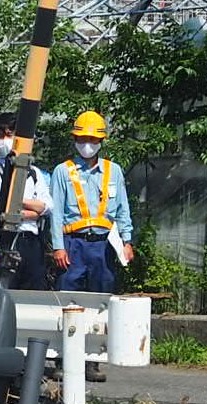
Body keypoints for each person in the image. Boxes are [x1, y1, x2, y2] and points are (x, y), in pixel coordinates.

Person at [50, 110, 134, 381]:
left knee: (100, 302)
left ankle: (92, 361)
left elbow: (122, 209)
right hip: (73, 244)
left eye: (92, 139)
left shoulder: (114, 171)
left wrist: (127, 241)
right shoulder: (63, 172)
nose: (87, 143)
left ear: (100, 141)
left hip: (103, 245)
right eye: (82, 138)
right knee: (69, 301)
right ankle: (65, 359)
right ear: (75, 139)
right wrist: (58, 246)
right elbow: (56, 214)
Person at [0, 112, 52, 290]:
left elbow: (48, 206)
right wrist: (35, 212)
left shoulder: (33, 172)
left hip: (32, 241)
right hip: (4, 241)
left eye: (10, 135)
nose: (4, 140)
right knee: (5, 293)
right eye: (0, 135)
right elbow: (3, 207)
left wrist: (21, 203)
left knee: (35, 294)